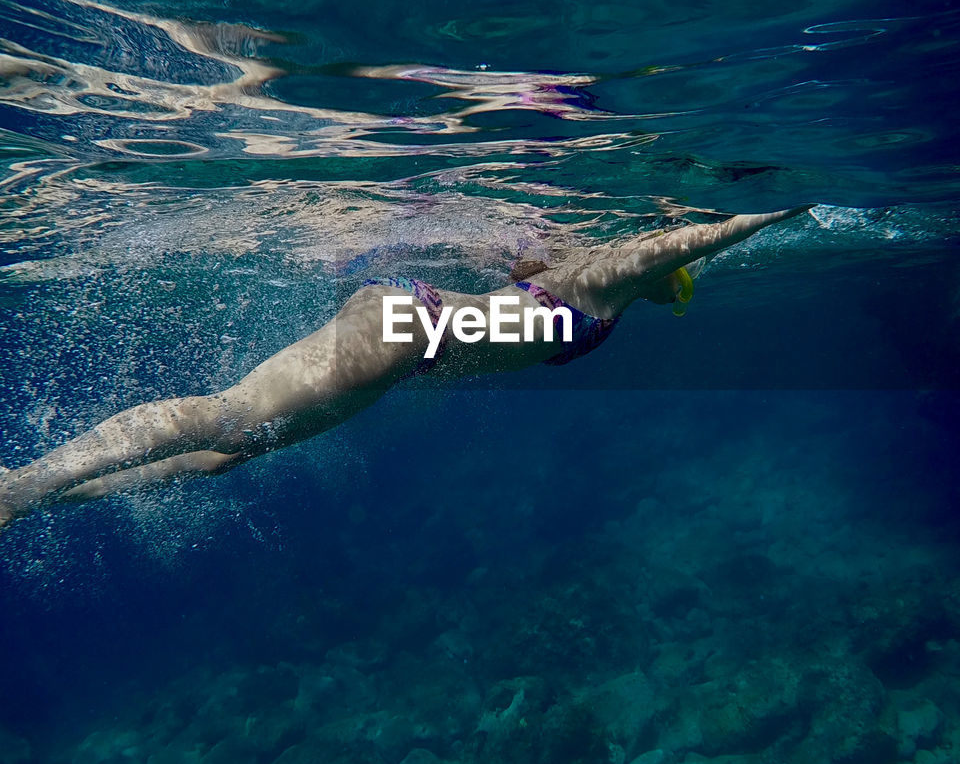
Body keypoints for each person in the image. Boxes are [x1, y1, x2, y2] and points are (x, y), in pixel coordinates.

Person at [0, 207, 809, 529]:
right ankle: (21, 485)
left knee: (223, 454)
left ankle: (53, 493)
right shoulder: (601, 276)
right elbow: (694, 238)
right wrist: (786, 205)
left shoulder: (570, 272)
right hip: (406, 329)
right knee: (225, 416)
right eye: (665, 285)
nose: (662, 283)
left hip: (406, 335)